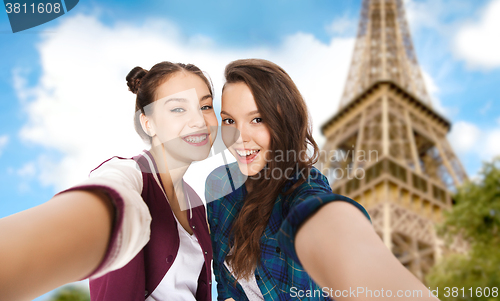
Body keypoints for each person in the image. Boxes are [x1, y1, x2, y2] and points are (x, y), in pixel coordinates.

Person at [205, 59, 440, 301]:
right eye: (229, 120)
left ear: (283, 122)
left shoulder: (302, 188)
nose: (238, 138)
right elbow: (223, 281)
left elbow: (322, 218)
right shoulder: (219, 184)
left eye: (257, 119)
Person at [0, 61, 218, 301]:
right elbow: (109, 202)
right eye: (178, 109)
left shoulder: (196, 203)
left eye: (205, 106)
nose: (199, 121)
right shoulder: (127, 175)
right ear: (148, 123)